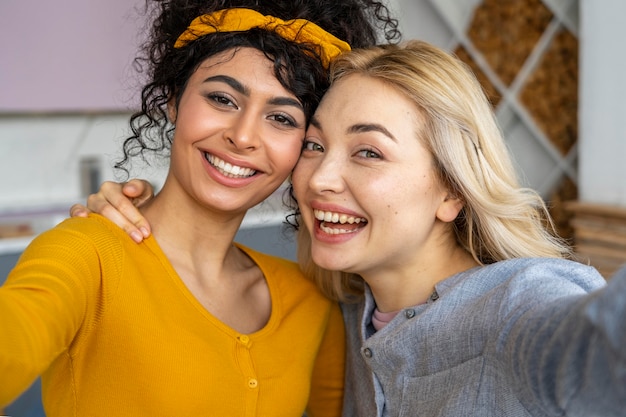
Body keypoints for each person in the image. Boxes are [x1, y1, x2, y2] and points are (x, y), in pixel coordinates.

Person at [75, 40, 626, 416]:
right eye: (314, 146)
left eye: (368, 151)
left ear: (452, 190)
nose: (320, 179)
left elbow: (597, 356)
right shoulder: (341, 314)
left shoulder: (517, 306)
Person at [0, 0, 400, 415]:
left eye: (282, 118)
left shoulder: (310, 300)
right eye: (222, 99)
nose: (243, 137)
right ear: (174, 99)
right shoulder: (89, 253)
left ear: (307, 145)